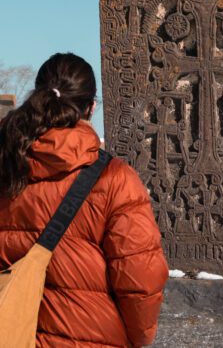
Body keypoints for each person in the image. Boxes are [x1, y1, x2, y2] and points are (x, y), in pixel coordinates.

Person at [0, 52, 169, 347]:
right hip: (93, 336)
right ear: (91, 108)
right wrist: (137, 337)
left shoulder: (6, 166)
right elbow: (141, 278)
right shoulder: (115, 179)